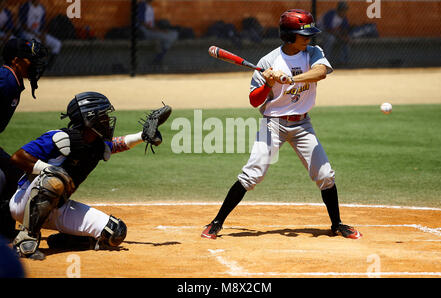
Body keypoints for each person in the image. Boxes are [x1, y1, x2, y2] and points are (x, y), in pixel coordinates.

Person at [201, 9, 362, 240]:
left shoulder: (313, 53)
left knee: (325, 174)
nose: (308, 38)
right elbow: (254, 100)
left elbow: (320, 73)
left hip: (303, 125)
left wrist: (291, 79)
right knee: (251, 175)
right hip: (273, 125)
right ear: (288, 35)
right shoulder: (267, 62)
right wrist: (267, 83)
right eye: (302, 34)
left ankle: (336, 224)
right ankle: (216, 222)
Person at [6, 91, 170, 260]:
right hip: (25, 204)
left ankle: (63, 241)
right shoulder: (61, 138)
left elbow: (114, 145)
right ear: (89, 118)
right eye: (103, 115)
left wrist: (142, 136)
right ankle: (26, 240)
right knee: (55, 179)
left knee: (114, 233)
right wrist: (52, 170)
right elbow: (18, 157)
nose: (107, 119)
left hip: (58, 208)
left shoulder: (97, 144)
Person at [0, 38, 48, 240]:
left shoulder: (13, 80)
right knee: (8, 174)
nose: (35, 64)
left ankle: (4, 228)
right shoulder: (5, 80)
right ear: (16, 60)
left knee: (14, 172)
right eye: (31, 60)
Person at [18, 0, 62, 68]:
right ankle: (34, 65)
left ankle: (48, 66)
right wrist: (36, 35)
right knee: (37, 43)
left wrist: (43, 35)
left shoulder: (41, 8)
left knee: (57, 44)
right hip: (26, 33)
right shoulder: (25, 6)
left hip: (38, 33)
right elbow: (23, 26)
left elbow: (43, 26)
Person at [137, 0, 178, 64]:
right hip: (145, 32)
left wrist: (161, 29)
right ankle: (159, 58)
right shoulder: (142, 5)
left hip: (152, 30)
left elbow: (151, 22)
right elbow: (142, 23)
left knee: (174, 33)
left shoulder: (149, 6)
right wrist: (159, 31)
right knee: (170, 37)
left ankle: (160, 55)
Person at [317, 1, 351, 66]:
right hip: (320, 31)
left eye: (345, 10)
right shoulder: (331, 14)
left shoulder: (344, 17)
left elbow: (345, 29)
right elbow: (328, 29)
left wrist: (346, 37)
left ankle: (343, 61)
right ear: (339, 9)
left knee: (346, 40)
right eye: (342, 10)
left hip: (334, 33)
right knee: (330, 39)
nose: (344, 12)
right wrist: (341, 37)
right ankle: (326, 61)